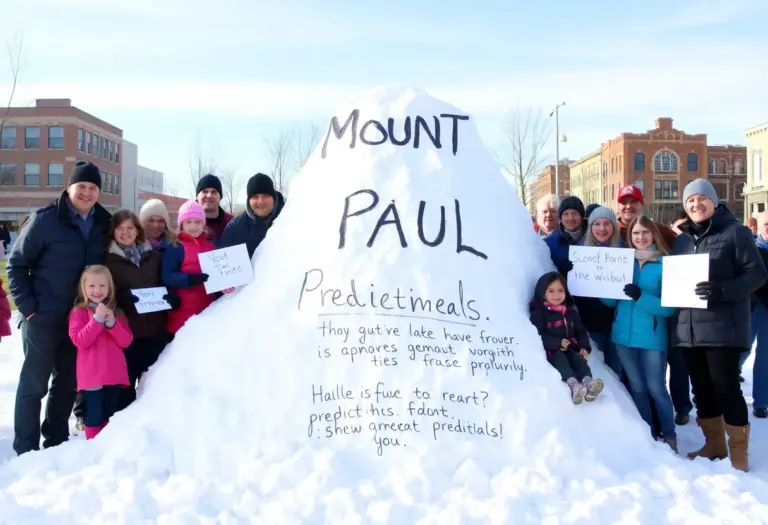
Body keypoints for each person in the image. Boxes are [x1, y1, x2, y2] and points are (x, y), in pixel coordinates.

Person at [7, 161, 111, 455]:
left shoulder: (103, 223)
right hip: (42, 318)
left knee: (67, 384)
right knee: (33, 386)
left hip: (79, 321)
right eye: (82, 187)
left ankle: (55, 442)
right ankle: (25, 450)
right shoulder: (44, 220)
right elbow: (16, 266)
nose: (87, 193)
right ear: (69, 188)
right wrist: (29, 309)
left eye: (93, 188)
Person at [673, 179, 767, 471]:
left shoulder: (735, 232)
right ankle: (714, 443)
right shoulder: (683, 240)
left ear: (714, 202)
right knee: (701, 389)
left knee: (726, 387)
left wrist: (722, 290)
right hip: (689, 328)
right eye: (690, 201)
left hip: (723, 327)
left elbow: (757, 274)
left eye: (702, 199)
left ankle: (738, 451)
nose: (696, 205)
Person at [601, 216, 678, 452]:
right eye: (636, 233)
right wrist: (604, 286)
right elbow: (611, 302)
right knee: (637, 387)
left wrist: (640, 296)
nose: (641, 237)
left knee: (656, 388)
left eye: (645, 232)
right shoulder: (623, 262)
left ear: (653, 234)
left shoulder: (665, 264)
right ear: (629, 236)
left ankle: (670, 434)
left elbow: (669, 307)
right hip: (623, 336)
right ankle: (648, 433)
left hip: (652, 337)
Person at [104, 210, 180, 409]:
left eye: (130, 227)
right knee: (125, 387)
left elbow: (164, 284)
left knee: (153, 385)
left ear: (138, 230)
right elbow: (103, 294)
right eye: (120, 228)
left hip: (155, 331)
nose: (125, 232)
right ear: (112, 232)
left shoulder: (154, 256)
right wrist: (122, 298)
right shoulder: (107, 261)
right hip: (127, 334)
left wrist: (170, 297)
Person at [68, 265, 132, 439]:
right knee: (94, 415)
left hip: (114, 373)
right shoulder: (79, 312)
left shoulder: (116, 311)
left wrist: (112, 324)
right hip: (92, 375)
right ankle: (93, 447)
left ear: (109, 287)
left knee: (110, 414)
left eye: (102, 286)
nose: (97, 290)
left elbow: (126, 341)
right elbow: (80, 340)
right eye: (92, 286)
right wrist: (96, 320)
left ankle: (107, 447)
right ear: (84, 287)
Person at [530, 271, 604, 404]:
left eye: (560, 290)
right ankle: (574, 385)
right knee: (561, 361)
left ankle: (588, 383)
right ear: (542, 293)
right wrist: (556, 343)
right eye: (551, 291)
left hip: (571, 348)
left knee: (579, 360)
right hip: (553, 351)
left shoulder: (570, 312)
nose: (557, 295)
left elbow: (580, 330)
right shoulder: (540, 313)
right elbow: (538, 334)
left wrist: (584, 347)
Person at [162, 201, 233, 336]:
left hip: (209, 309)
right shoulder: (175, 246)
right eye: (188, 222)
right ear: (181, 224)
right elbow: (167, 276)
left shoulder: (212, 244)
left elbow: (220, 271)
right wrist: (189, 279)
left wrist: (224, 286)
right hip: (182, 313)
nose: (193, 226)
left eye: (197, 222)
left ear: (203, 223)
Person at [576, 206, 623, 378]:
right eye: (597, 224)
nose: (602, 229)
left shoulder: (624, 252)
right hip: (590, 323)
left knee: (617, 370)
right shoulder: (580, 253)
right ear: (590, 227)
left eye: (607, 224)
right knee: (600, 371)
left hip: (617, 324)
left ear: (614, 227)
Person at [220, 173, 285, 258]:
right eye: (255, 197)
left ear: (274, 198)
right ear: (248, 200)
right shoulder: (234, 228)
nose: (260, 201)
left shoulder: (291, 219)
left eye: (266, 196)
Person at [749, 210, 768, 419]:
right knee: (742, 349)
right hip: (750, 305)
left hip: (766, 309)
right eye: (766, 225)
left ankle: (761, 401)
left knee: (764, 355)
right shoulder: (752, 249)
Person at [544, 196, 586, 277]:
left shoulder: (594, 237)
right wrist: (559, 270)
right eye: (566, 214)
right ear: (560, 218)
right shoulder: (549, 243)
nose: (570, 218)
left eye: (574, 213)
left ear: (582, 216)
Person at [195, 174, 233, 241]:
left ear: (220, 197)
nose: (209, 195)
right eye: (204, 191)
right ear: (197, 197)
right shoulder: (188, 224)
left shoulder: (233, 223)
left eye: (214, 192)